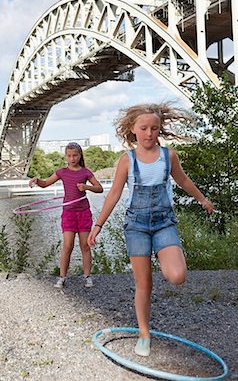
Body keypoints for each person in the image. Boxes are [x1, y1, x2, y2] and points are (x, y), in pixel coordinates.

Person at [87, 103, 213, 357]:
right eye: (143, 128)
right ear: (133, 129)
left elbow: (183, 180)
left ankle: (166, 252)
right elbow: (113, 195)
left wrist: (202, 199)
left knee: (177, 276)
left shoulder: (169, 156)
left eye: (154, 128)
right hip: (137, 227)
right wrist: (97, 225)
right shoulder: (126, 160)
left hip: (164, 223)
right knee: (144, 284)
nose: (149, 133)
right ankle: (144, 334)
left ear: (159, 130)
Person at [29, 142, 103, 288]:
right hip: (68, 213)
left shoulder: (85, 172)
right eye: (69, 156)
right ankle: (62, 277)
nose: (72, 158)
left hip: (83, 213)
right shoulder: (62, 172)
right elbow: (45, 183)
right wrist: (36, 180)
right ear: (66, 157)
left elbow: (99, 188)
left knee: (85, 245)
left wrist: (86, 187)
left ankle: (87, 276)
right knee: (67, 245)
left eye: (75, 155)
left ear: (80, 155)